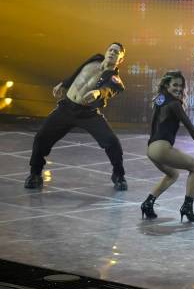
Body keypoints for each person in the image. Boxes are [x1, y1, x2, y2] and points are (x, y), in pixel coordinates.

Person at [25, 43, 128, 190]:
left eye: (116, 52)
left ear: (120, 60)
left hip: (87, 114)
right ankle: (35, 174)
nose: (112, 52)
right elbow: (78, 72)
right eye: (110, 49)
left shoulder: (114, 78)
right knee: (41, 137)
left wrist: (98, 93)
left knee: (112, 142)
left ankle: (118, 175)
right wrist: (64, 83)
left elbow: (110, 90)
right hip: (66, 108)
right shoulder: (94, 60)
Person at [140, 71, 194, 222]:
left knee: (173, 174)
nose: (178, 89)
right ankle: (187, 207)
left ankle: (148, 203)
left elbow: (152, 124)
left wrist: (151, 145)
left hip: (152, 149)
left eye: (181, 86)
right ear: (166, 85)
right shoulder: (174, 104)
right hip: (162, 148)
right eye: (175, 85)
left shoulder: (160, 99)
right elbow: (189, 126)